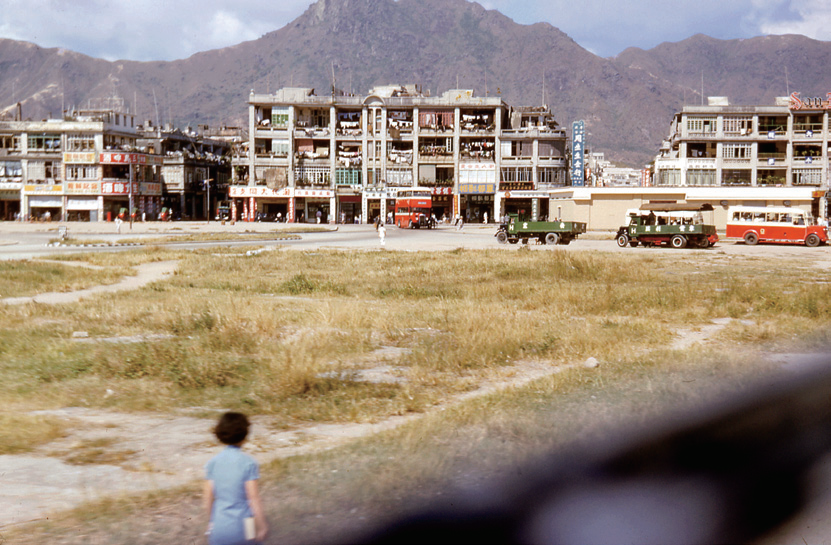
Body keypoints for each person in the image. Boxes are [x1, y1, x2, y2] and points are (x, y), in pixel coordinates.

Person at [204, 412, 268, 545]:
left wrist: (211, 522)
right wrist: (262, 526)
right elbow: (253, 499)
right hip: (245, 526)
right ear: (245, 436)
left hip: (219, 528)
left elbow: (208, 498)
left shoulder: (213, 463)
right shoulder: (248, 463)